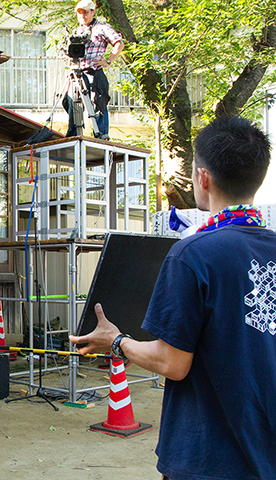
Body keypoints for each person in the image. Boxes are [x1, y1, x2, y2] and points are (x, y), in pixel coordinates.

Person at [70, 116, 275, 479]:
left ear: (203, 178)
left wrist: (116, 341)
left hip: (208, 458)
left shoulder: (193, 255)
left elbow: (172, 362)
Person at [62, 0, 124, 139]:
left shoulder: (102, 27)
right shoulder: (76, 31)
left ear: (92, 12)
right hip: (78, 72)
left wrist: (108, 61)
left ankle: (102, 134)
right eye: (79, 13)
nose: (82, 15)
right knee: (73, 102)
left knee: (98, 102)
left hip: (94, 71)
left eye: (85, 12)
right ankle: (73, 134)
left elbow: (118, 43)